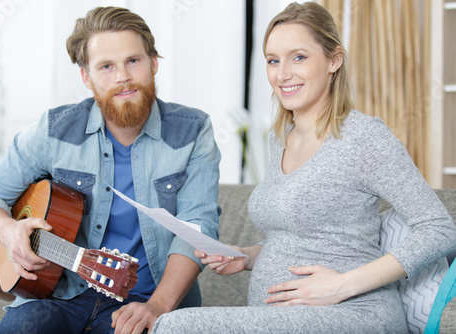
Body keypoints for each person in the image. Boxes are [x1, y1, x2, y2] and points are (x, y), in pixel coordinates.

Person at [149, 2, 456, 333]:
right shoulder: (280, 138)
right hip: (288, 317)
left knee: (175, 326)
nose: (282, 74)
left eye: (299, 57)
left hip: (356, 313)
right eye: (272, 60)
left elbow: (440, 229)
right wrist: (248, 257)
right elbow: (304, 237)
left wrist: (342, 285)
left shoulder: (363, 136)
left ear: (334, 60)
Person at [0, 6, 221, 334]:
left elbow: (197, 228)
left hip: (144, 298)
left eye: (133, 60)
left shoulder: (193, 130)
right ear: (86, 77)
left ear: (153, 63)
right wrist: (8, 231)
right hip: (58, 293)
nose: (122, 77)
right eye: (106, 66)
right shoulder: (54, 130)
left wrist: (156, 307)